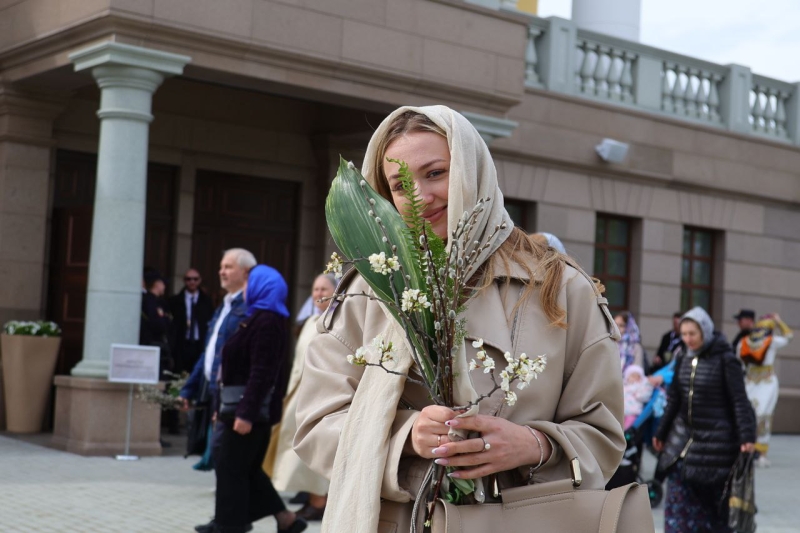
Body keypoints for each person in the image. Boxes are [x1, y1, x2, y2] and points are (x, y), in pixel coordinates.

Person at [293, 106, 626, 531]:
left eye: (435, 173)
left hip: (527, 520)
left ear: (473, 170)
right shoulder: (369, 291)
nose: (419, 197)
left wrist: (534, 445)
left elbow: (603, 431)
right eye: (400, 185)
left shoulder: (560, 287)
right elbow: (317, 424)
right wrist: (406, 438)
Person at [206, 264, 306, 533]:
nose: (246, 289)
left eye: (250, 284)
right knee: (243, 469)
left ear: (263, 287)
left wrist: (245, 413)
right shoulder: (258, 318)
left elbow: (262, 372)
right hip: (236, 406)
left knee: (232, 469)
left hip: (247, 412)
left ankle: (230, 525)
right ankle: (282, 519)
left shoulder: (268, 322)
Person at [653, 307, 756, 533]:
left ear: (705, 331)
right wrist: (661, 433)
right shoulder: (683, 359)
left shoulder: (726, 361)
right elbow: (674, 401)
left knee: (714, 515)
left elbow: (740, 401)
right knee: (678, 513)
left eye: (693, 334)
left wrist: (747, 437)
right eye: (684, 334)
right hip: (681, 445)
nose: (688, 339)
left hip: (715, 449)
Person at [268, 274, 336, 521]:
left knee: (316, 446)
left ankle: (319, 500)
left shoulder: (337, 321)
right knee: (296, 447)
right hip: (300, 392)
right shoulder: (310, 321)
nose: (318, 293)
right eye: (315, 288)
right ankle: (312, 498)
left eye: (324, 288)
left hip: (323, 395)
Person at [180, 249, 253, 473]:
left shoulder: (250, 307)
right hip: (214, 391)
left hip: (233, 394)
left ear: (246, 271)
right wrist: (189, 389)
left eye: (228, 267)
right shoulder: (224, 305)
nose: (221, 271)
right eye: (221, 267)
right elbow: (209, 352)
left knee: (228, 455)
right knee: (220, 453)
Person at [737, 313, 793, 467]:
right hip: (753, 381)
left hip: (763, 382)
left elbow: (789, 337)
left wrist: (778, 321)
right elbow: (789, 336)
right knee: (751, 414)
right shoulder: (748, 342)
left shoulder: (767, 342)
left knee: (762, 415)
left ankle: (760, 452)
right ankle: (748, 448)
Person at [170, 268, 215, 374]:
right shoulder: (175, 301)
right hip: (182, 343)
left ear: (200, 280)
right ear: (184, 281)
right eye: (188, 279)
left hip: (199, 343)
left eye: (195, 279)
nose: (192, 282)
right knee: (179, 373)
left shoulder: (206, 301)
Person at [622, 365, 652, 430]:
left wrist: (638, 395)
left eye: (637, 376)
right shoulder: (625, 386)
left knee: (627, 427)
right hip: (622, 411)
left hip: (633, 411)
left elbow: (646, 395)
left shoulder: (641, 386)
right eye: (632, 376)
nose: (634, 378)